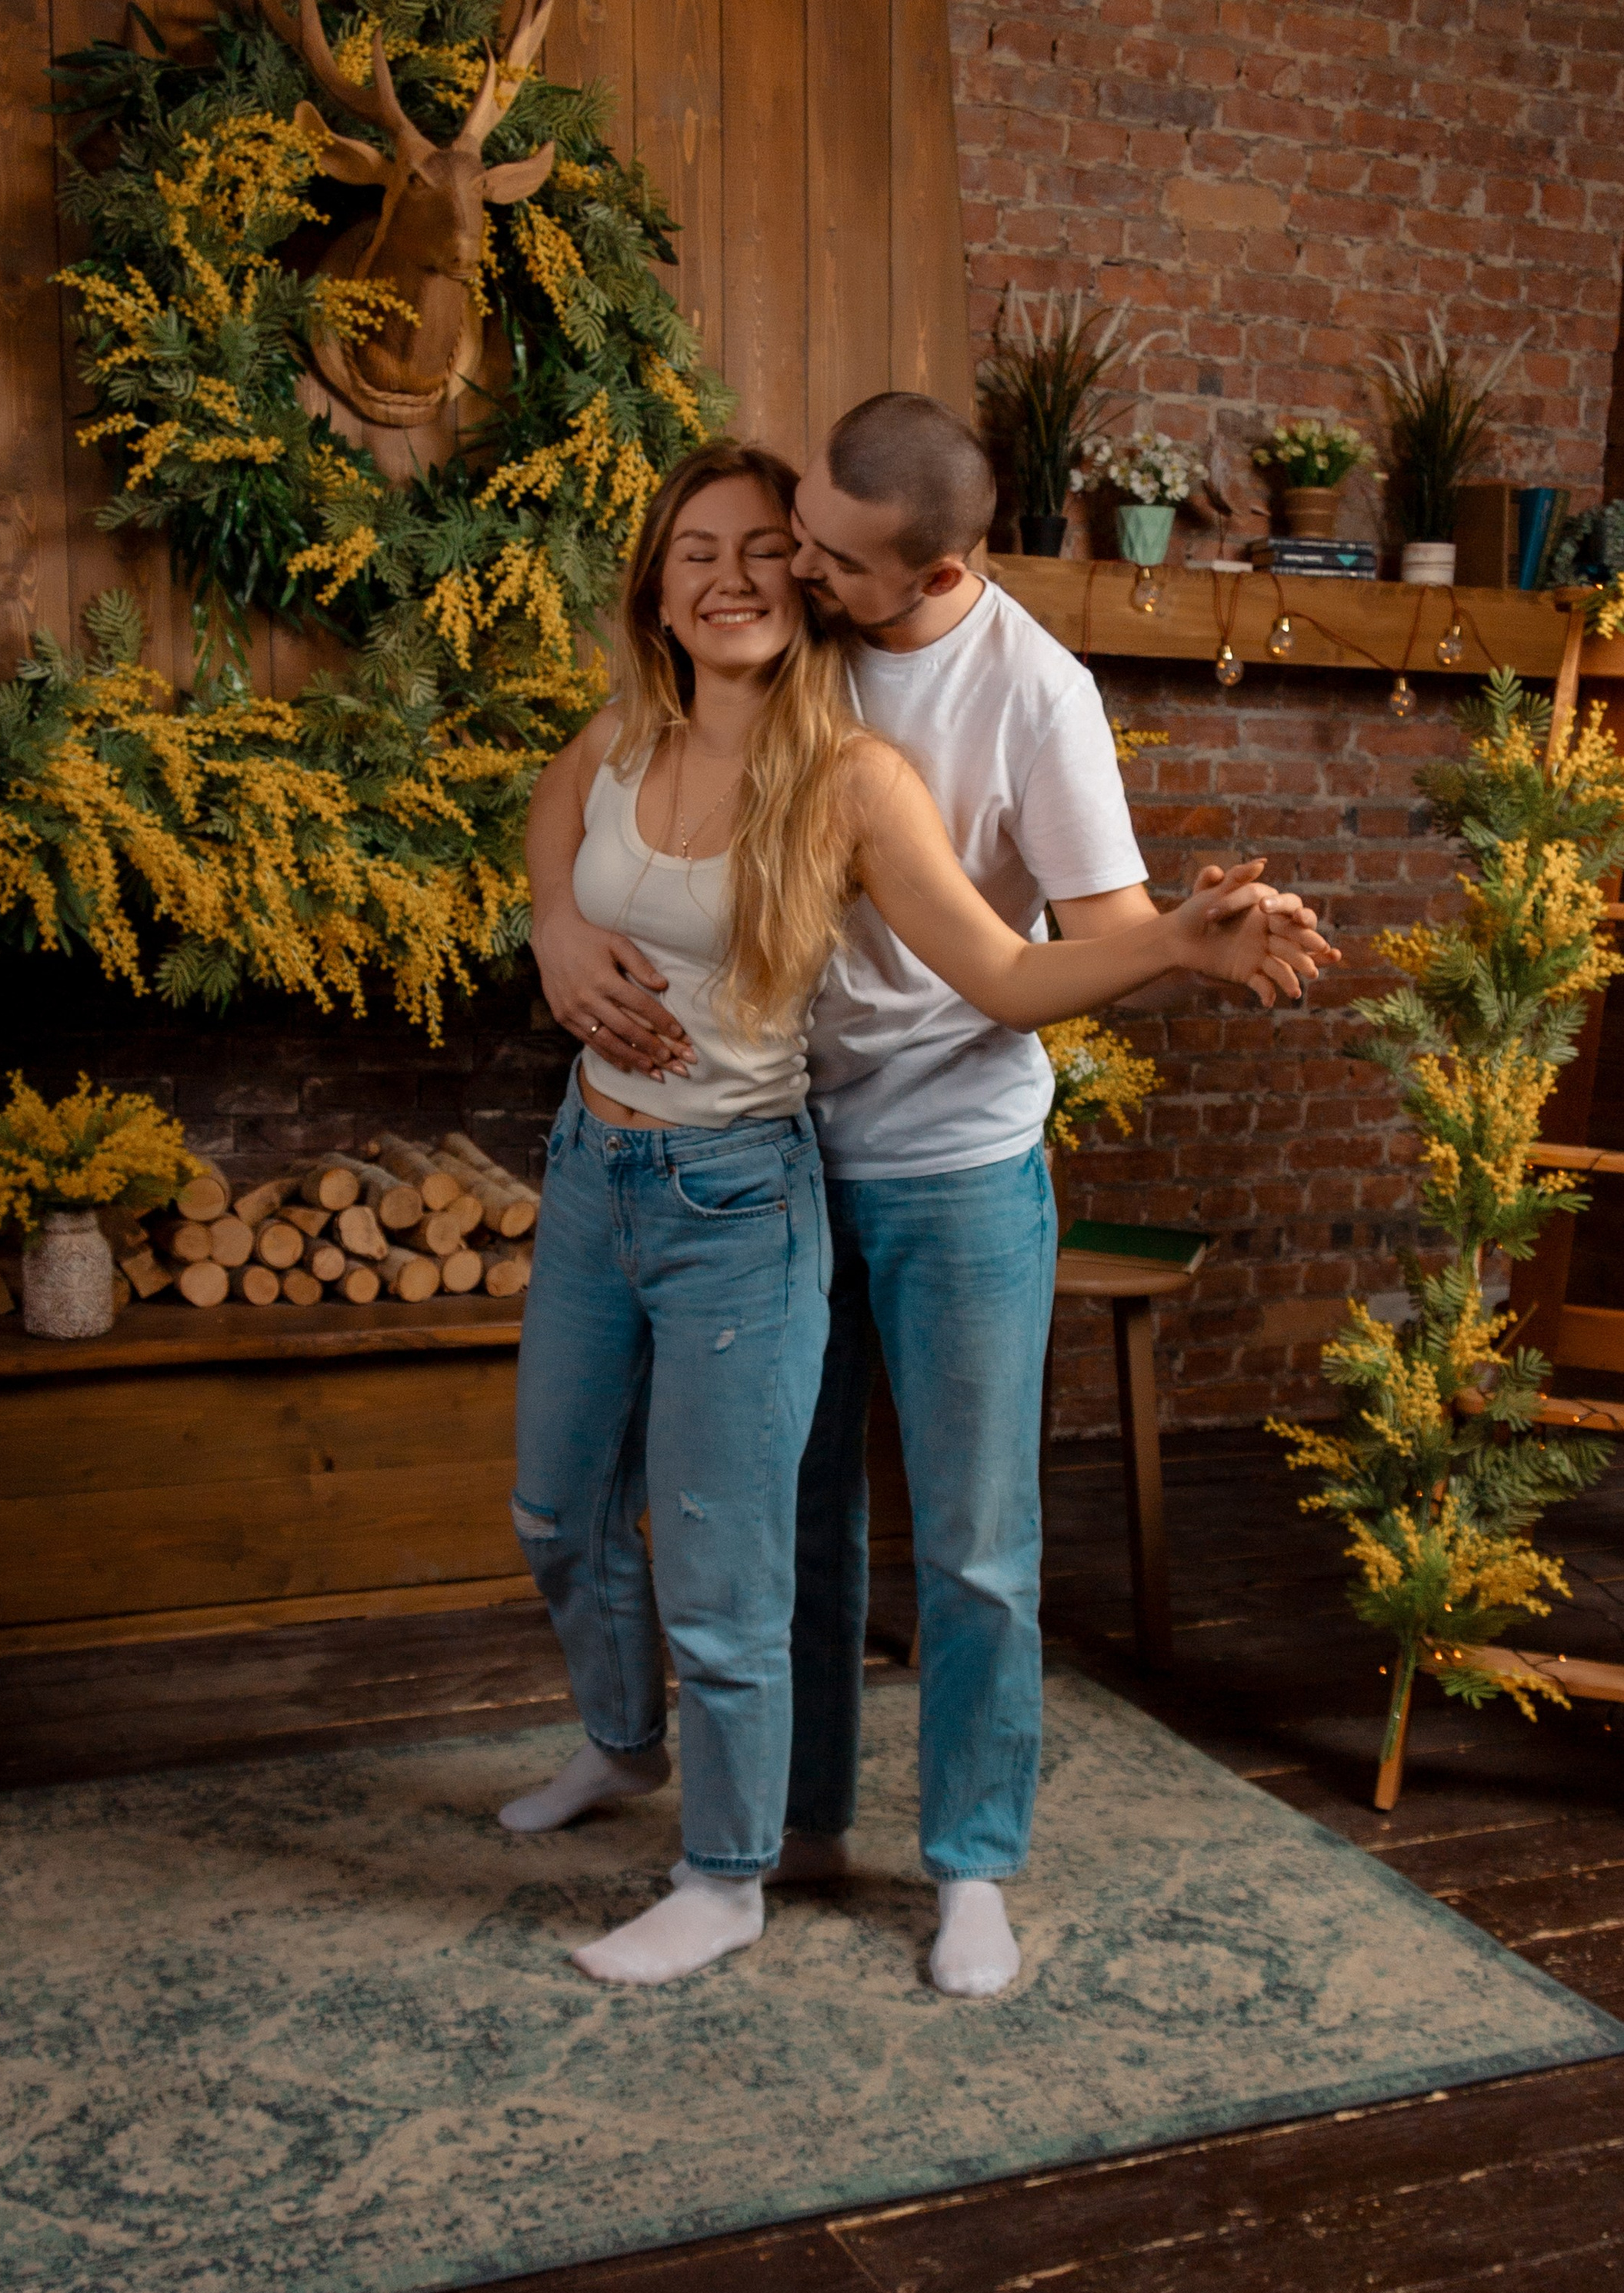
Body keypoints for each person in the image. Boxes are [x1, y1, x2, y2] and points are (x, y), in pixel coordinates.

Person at [512, 431, 1330, 1991]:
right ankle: (790, 1826)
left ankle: (968, 1865)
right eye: (784, 538)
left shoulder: (1027, 694)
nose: (790, 569)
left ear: (933, 570)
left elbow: (1045, 954)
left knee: (970, 1540)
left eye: (813, 554)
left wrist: (1180, 940)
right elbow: (598, 762)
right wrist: (556, 918)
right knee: (788, 1524)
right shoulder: (781, 628)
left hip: (948, 1156)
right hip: (784, 1142)